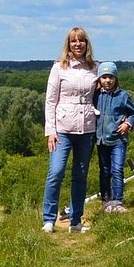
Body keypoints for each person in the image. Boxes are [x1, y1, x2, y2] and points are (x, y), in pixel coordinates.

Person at [42, 26, 98, 233]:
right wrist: (51, 131)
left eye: (81, 41)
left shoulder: (94, 67)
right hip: (62, 128)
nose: (77, 44)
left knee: (80, 175)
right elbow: (50, 101)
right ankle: (49, 219)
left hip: (87, 128)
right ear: (68, 44)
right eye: (74, 41)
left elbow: (105, 93)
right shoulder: (59, 67)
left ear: (86, 44)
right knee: (56, 172)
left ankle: (75, 221)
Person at [93, 61, 134, 213]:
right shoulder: (96, 95)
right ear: (99, 79)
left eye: (111, 77)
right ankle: (106, 201)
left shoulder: (122, 95)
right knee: (104, 171)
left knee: (117, 170)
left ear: (116, 79)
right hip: (101, 140)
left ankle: (118, 201)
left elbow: (133, 113)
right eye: (104, 77)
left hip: (118, 139)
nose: (107, 81)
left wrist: (128, 124)